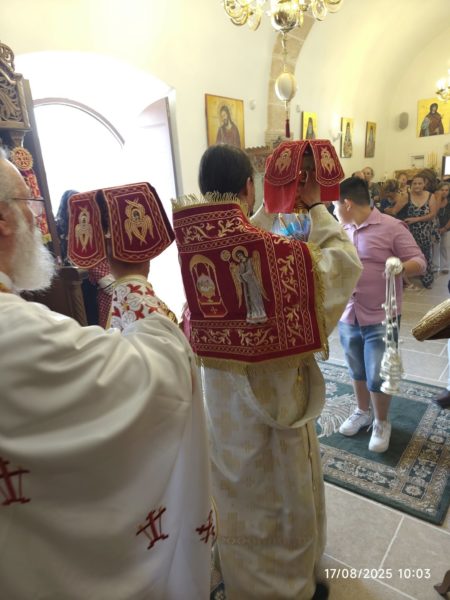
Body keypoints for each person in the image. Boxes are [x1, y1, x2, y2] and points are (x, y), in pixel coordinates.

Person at [0, 154, 212, 599]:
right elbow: (157, 372)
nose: (37, 218)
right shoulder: (16, 332)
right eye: (28, 202)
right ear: (2, 219)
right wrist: (133, 278)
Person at [173, 143, 362, 599]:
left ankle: (240, 578)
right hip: (275, 407)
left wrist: (273, 206)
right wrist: (314, 205)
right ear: (249, 186)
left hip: (223, 407)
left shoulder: (195, 244)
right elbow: (344, 266)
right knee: (279, 495)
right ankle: (287, 586)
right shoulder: (277, 256)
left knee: (236, 492)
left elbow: (243, 238)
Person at [334, 177, 426, 453]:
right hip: (348, 313)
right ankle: (362, 412)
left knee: (378, 373)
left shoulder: (391, 227)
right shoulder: (340, 229)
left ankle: (381, 422)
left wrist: (400, 267)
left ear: (347, 203)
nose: (333, 210)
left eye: (334, 205)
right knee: (356, 368)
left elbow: (420, 262)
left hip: (381, 315)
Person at [56, 189, 115, 327]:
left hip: (91, 282)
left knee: (95, 318)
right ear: (65, 208)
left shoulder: (91, 226)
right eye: (73, 206)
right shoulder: (58, 229)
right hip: (70, 283)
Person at [404, 174, 438, 288]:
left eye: (420, 183)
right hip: (409, 232)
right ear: (411, 185)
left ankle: (427, 279)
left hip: (425, 232)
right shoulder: (407, 195)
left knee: (426, 255)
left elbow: (433, 214)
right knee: (409, 254)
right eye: (415, 183)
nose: (417, 186)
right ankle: (408, 278)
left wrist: (416, 219)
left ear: (424, 184)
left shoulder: (430, 196)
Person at [433, 182, 450, 273]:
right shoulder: (434, 200)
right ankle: (435, 266)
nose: (444, 192)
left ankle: (445, 267)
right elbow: (433, 213)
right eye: (442, 190)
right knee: (435, 248)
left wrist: (445, 228)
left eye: (446, 190)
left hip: (447, 227)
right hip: (435, 228)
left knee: (445, 247)